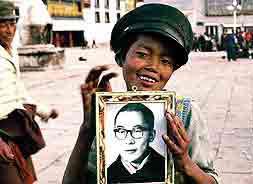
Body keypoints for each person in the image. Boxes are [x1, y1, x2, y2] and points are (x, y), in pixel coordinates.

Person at [63, 3, 219, 184]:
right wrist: (88, 129)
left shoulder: (185, 113)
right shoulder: (106, 113)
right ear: (121, 57)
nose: (153, 66)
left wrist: (185, 163)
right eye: (143, 54)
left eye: (166, 61)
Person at [0, 1, 58, 183]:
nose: (10, 30)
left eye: (12, 24)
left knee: (26, 178)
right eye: (3, 25)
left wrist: (42, 110)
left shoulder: (10, 51)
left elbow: (17, 89)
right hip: (2, 135)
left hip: (16, 130)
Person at [108, 103, 165, 183]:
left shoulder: (166, 168)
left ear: (151, 135)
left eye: (137, 131)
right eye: (121, 131)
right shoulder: (107, 175)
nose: (129, 141)